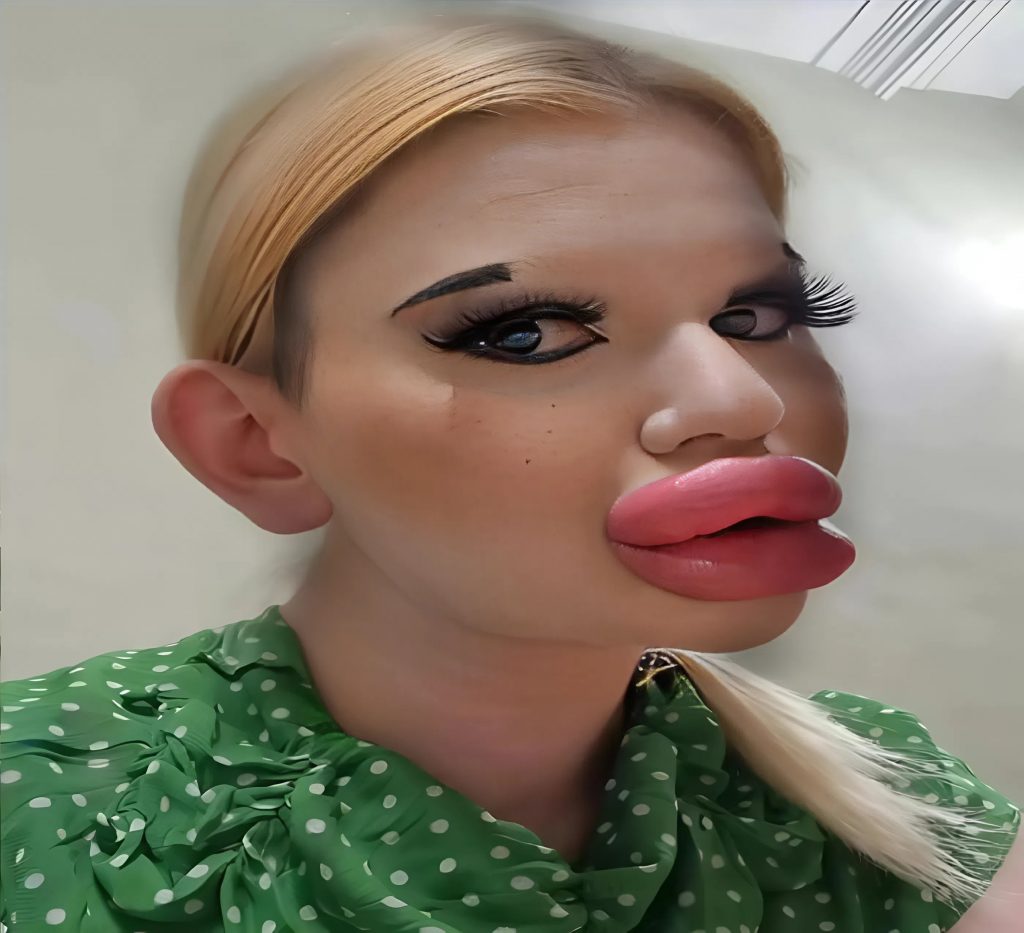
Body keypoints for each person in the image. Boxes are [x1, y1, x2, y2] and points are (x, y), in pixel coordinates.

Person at [1, 11, 1020, 932]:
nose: (743, 399)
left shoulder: (890, 785)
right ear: (255, 443)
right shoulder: (39, 794)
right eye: (524, 332)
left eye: (755, 317)